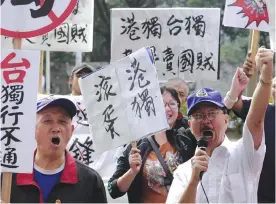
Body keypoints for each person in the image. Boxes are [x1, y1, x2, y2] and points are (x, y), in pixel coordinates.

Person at [166, 47, 272, 203]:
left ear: (226, 120)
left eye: (212, 113)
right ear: (190, 124)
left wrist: (265, 80)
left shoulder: (243, 153)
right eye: (199, 116)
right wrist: (194, 180)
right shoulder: (184, 172)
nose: (206, 120)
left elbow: (255, 121)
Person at [6, 96, 107, 203]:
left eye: (62, 121)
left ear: (71, 131)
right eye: (47, 121)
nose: (56, 129)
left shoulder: (90, 181)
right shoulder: (9, 178)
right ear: (32, 129)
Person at [108, 87, 197, 203]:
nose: (167, 109)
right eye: (161, 104)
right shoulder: (136, 146)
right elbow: (113, 190)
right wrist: (132, 172)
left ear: (178, 109)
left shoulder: (188, 138)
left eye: (172, 104)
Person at [232, 52, 275, 203]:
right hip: (259, 195)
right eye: (274, 86)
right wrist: (243, 81)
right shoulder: (262, 110)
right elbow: (235, 103)